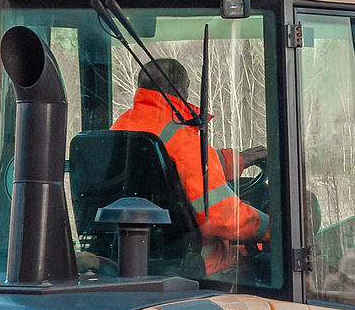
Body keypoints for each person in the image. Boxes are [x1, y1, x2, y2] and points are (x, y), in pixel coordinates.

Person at [110, 58, 267, 275]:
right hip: (198, 267)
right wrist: (273, 227)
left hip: (131, 254)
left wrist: (238, 160)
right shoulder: (184, 138)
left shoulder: (119, 127)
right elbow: (224, 218)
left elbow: (167, 171)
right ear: (183, 89)